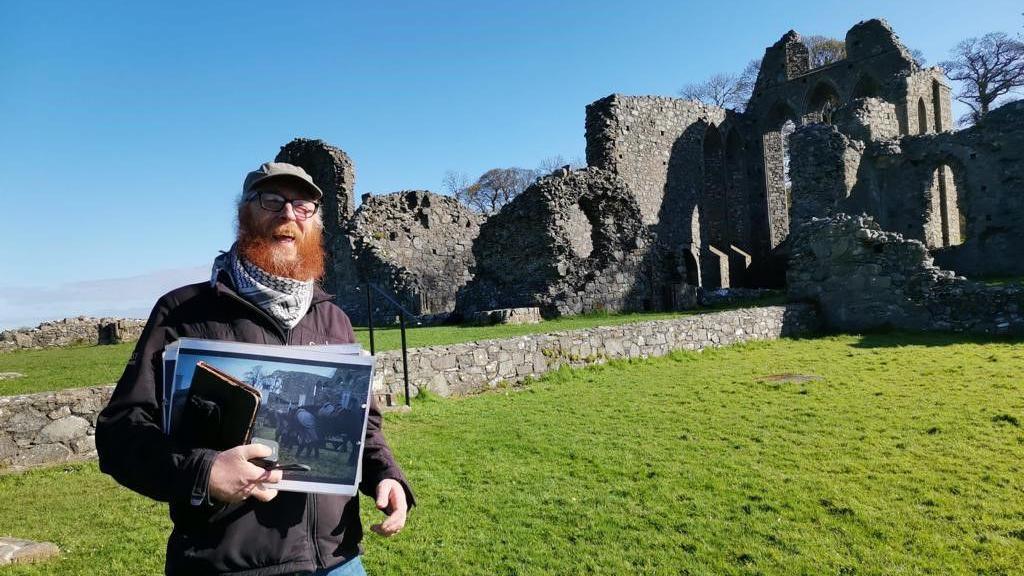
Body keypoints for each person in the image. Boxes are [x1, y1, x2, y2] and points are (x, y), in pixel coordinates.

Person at [96, 162, 413, 576]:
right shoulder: (183, 314)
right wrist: (204, 472)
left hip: (338, 560)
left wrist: (386, 476)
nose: (288, 215)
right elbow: (121, 431)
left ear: (316, 223)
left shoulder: (333, 318)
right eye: (272, 201)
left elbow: (363, 425)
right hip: (230, 564)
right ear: (243, 212)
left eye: (303, 206)